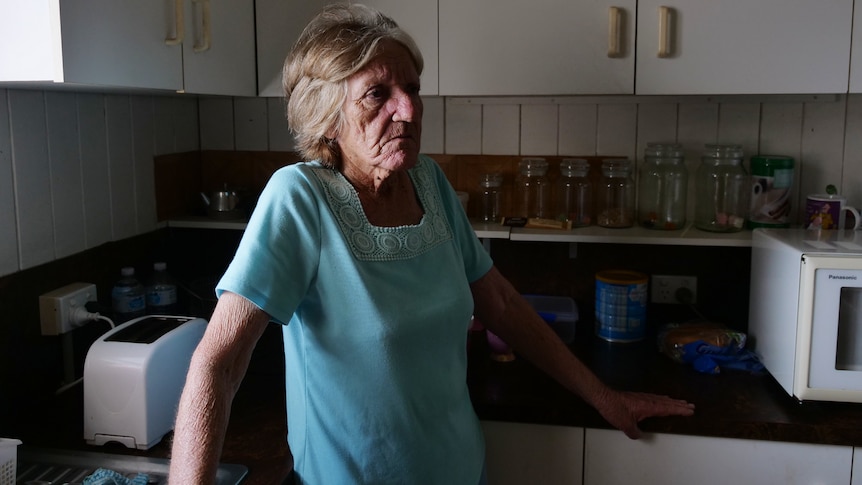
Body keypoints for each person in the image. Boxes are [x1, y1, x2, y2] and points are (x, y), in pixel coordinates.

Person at [169, 4, 695, 484]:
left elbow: (503, 304)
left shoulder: (430, 184)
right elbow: (219, 362)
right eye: (379, 93)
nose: (410, 110)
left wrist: (604, 397)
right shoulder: (300, 197)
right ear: (326, 117)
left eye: (414, 89)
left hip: (460, 469)